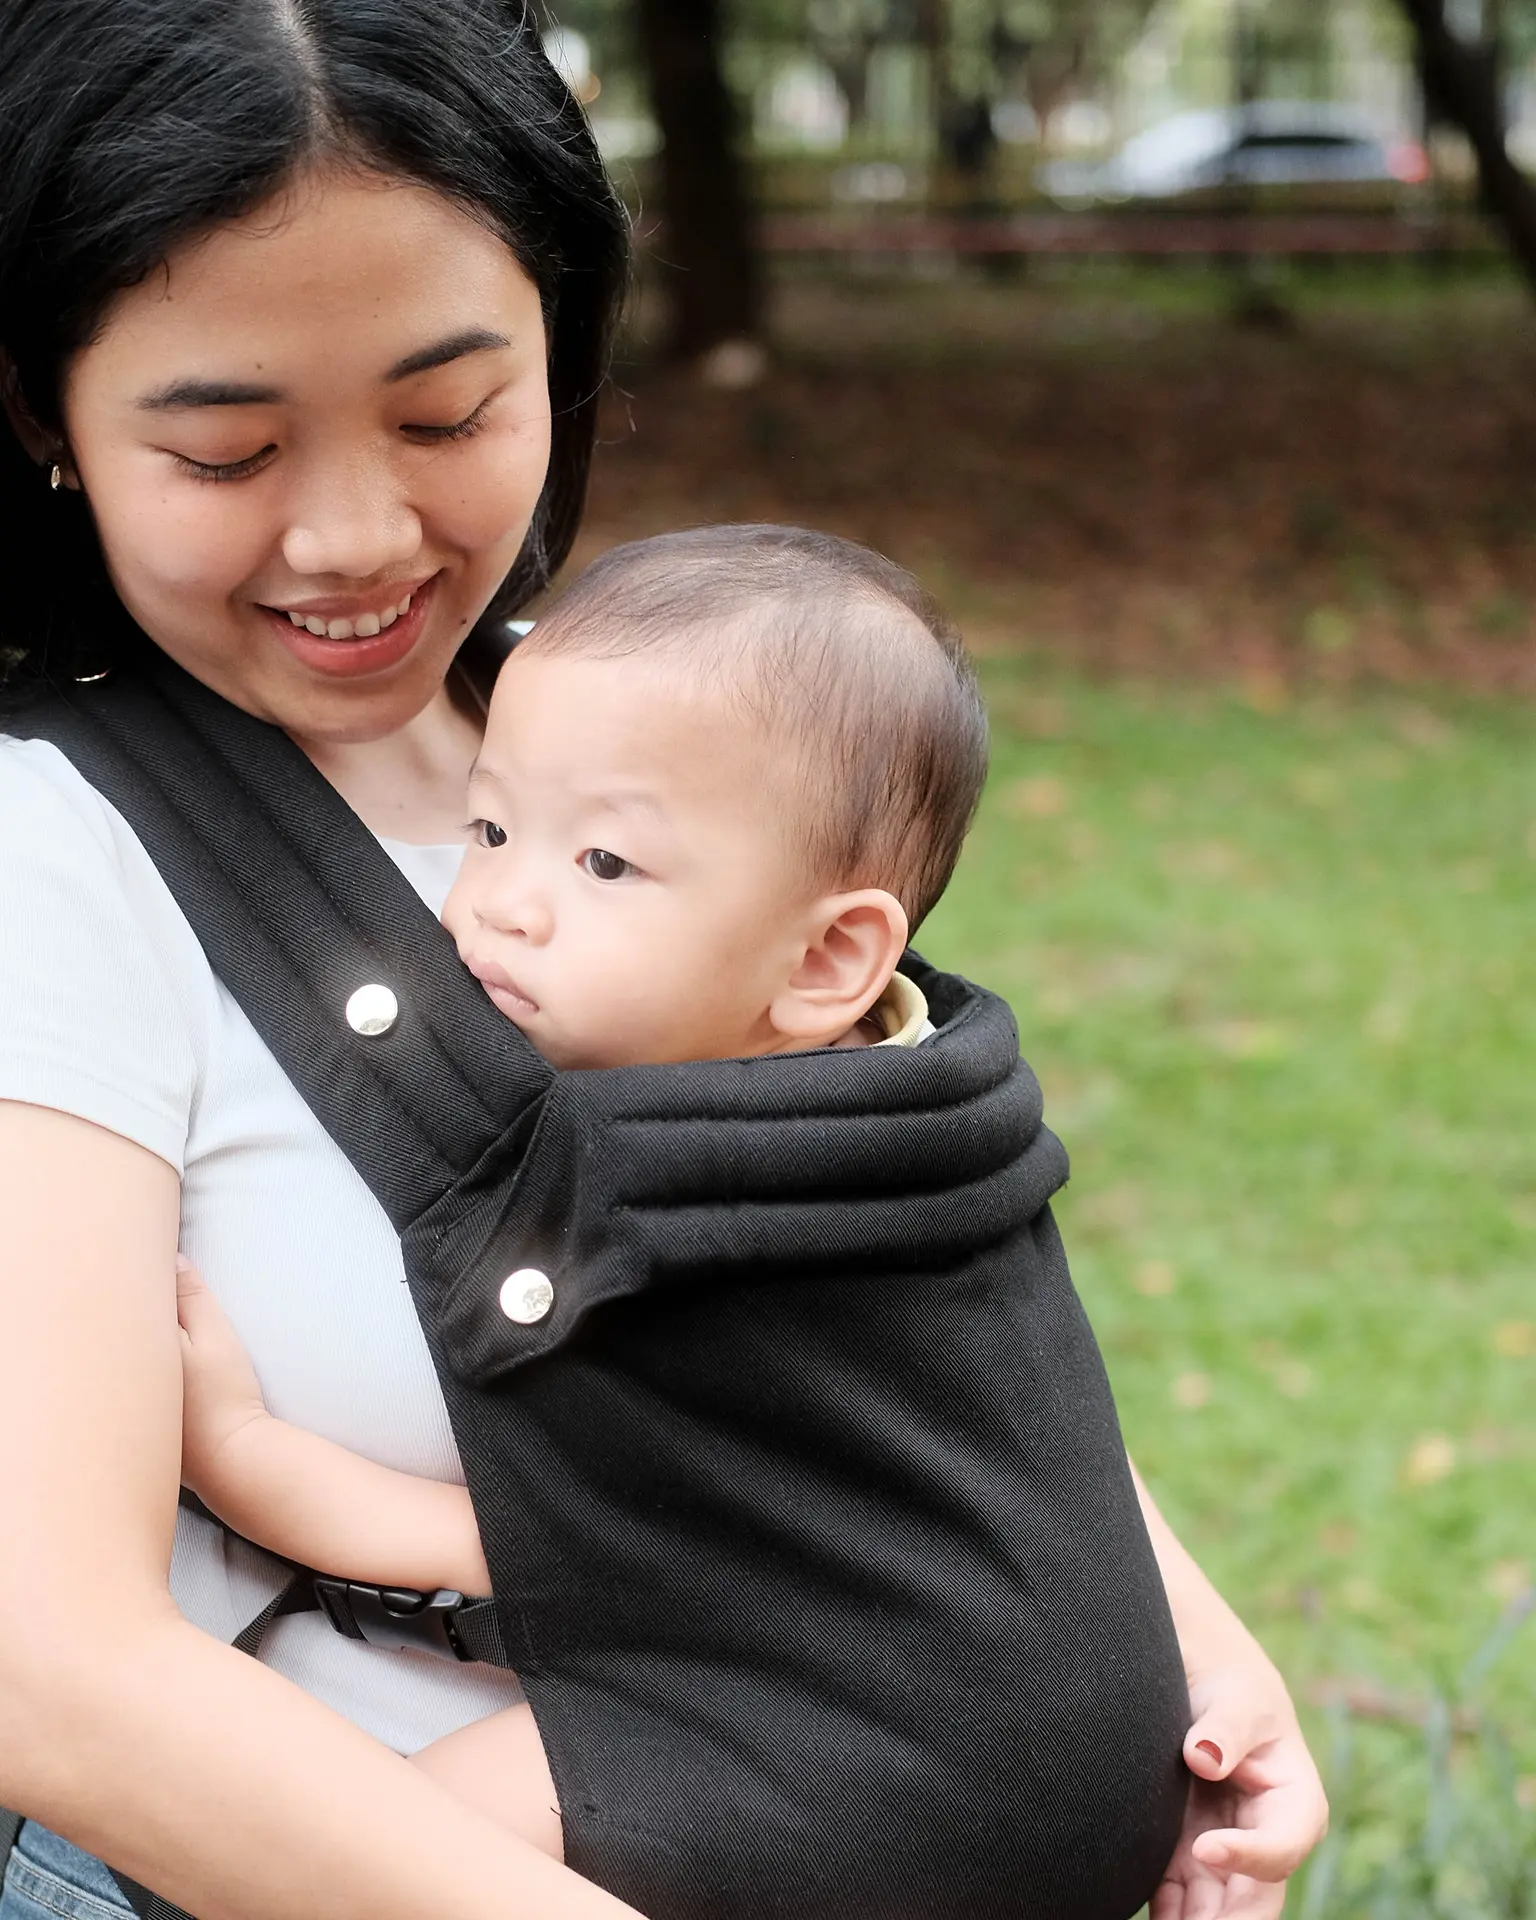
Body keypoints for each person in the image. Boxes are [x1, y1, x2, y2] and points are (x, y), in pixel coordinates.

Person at [0, 5, 1326, 1920]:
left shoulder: (637, 745)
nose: (359, 533)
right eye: (225, 446)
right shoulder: (57, 854)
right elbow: (53, 1668)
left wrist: (1173, 1640)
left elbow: (852, 1284)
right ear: (50, 413)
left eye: (450, 414)